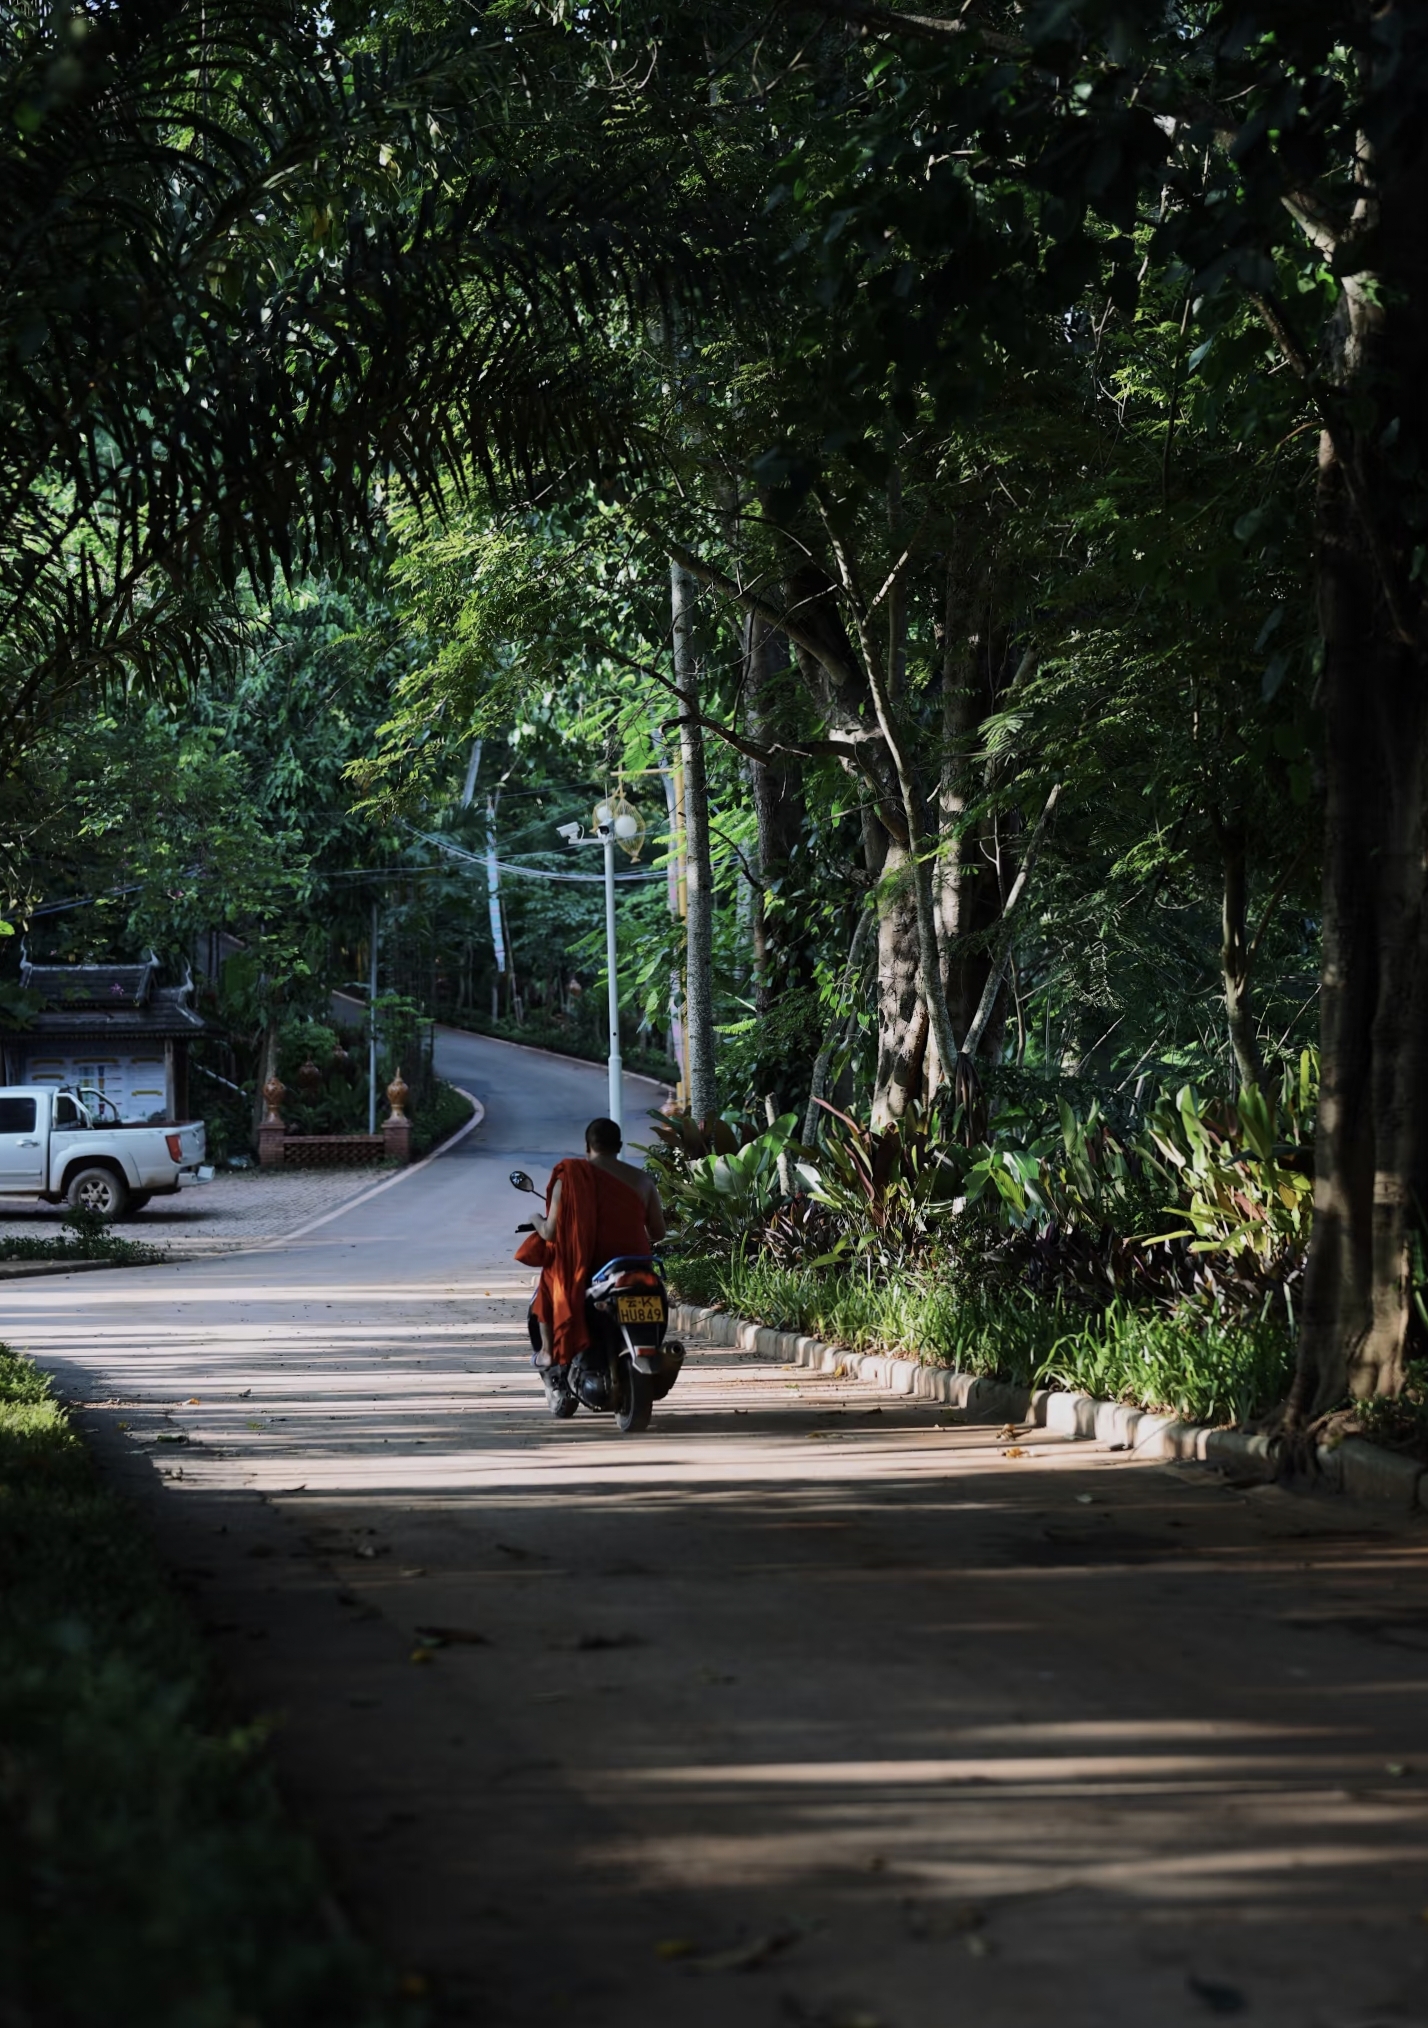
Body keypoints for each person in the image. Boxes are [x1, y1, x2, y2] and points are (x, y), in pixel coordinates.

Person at [522, 1118, 666, 1378]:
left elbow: (550, 1232)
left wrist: (535, 1218)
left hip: (590, 1266)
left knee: (549, 1281)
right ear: (619, 1146)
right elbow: (658, 1233)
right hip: (637, 1264)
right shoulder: (643, 1181)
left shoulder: (570, 1179)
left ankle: (548, 1352)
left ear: (587, 1147)